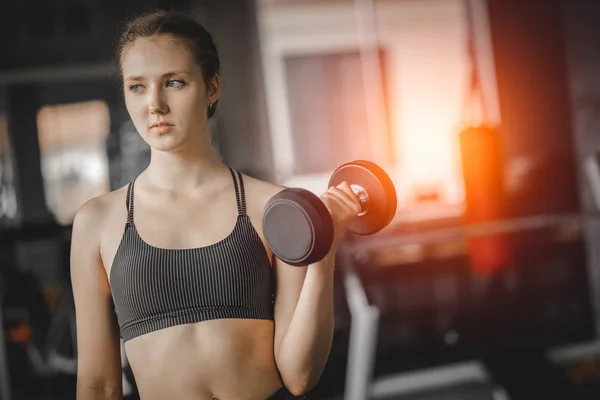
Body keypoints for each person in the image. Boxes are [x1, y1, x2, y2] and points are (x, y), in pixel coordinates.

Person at [70, 9, 361, 400]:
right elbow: (98, 385)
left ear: (212, 88)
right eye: (137, 86)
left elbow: (299, 375)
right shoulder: (97, 222)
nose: (154, 104)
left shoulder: (273, 208)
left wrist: (323, 249)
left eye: (174, 82)